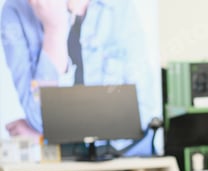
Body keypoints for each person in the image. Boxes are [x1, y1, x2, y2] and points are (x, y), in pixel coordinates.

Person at [1, 0, 161, 156]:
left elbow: (141, 114)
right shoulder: (15, 10)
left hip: (129, 159)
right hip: (65, 167)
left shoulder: (119, 6)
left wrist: (48, 137)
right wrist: (54, 31)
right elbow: (39, 119)